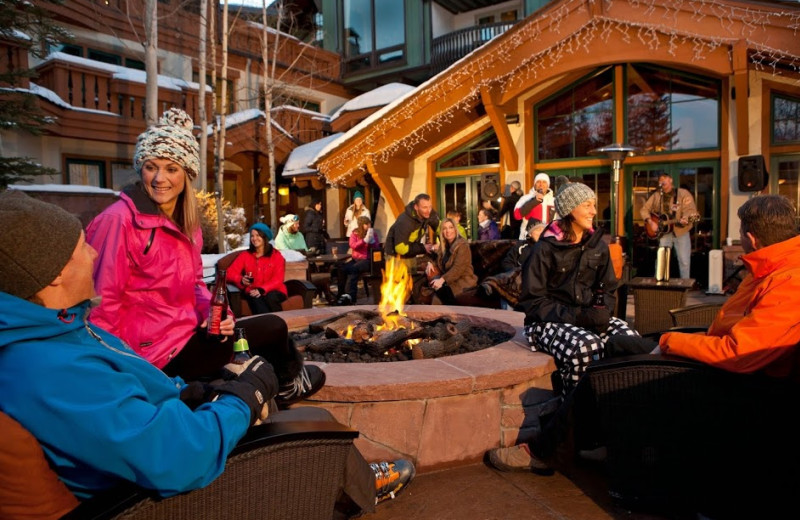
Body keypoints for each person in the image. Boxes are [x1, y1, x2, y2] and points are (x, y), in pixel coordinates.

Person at [0, 191, 415, 513]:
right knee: (312, 426)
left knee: (287, 400)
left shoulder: (59, 330)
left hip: (163, 431)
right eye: (81, 248)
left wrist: (191, 391)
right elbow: (176, 457)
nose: (95, 252)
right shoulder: (51, 371)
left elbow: (126, 406)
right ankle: (358, 490)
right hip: (156, 496)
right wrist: (245, 395)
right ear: (52, 276)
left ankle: (346, 471)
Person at [85, 108, 322, 405]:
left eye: (171, 169)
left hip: (188, 334)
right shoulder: (118, 221)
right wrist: (118, 375)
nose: (160, 178)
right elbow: (99, 306)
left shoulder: (185, 225)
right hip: (151, 357)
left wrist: (221, 315)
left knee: (267, 332)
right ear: (139, 168)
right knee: (273, 329)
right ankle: (286, 387)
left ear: (187, 175)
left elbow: (196, 285)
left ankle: (280, 387)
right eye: (151, 167)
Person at [653, 195, 800, 376]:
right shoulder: (767, 269)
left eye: (740, 235)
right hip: (715, 355)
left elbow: (738, 354)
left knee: (622, 347)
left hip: (738, 385)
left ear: (751, 239)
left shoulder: (789, 282)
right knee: (624, 342)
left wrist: (670, 341)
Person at [516, 182, 639, 395]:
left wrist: (603, 312)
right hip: (544, 323)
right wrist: (580, 317)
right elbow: (532, 302)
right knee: (586, 348)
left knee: (630, 340)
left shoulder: (597, 245)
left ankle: (616, 402)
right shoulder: (545, 248)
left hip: (587, 318)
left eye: (594, 205)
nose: (593, 211)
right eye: (587, 205)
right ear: (570, 210)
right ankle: (573, 412)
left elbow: (608, 287)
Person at [640, 172, 698, 279]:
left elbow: (690, 210)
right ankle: (659, 284)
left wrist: (685, 218)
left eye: (664, 179)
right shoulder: (657, 195)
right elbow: (644, 209)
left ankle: (684, 286)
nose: (662, 181)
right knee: (661, 260)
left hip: (681, 232)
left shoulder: (682, 193)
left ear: (670, 180)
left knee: (684, 260)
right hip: (665, 233)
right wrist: (651, 222)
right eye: (660, 180)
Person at [384, 193, 440, 302]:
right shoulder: (405, 221)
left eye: (430, 206)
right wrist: (423, 248)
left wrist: (439, 244)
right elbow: (400, 249)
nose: (428, 210)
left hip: (410, 251)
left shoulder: (430, 214)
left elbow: (440, 229)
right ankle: (393, 312)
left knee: (411, 284)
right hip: (395, 255)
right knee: (398, 288)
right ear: (416, 207)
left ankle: (412, 310)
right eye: (424, 207)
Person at [226, 222, 287, 314]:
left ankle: (281, 322)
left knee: (270, 297)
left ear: (264, 237)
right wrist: (241, 279)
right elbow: (228, 273)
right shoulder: (245, 255)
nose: (254, 238)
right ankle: (266, 325)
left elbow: (278, 279)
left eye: (258, 235)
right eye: (252, 236)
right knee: (255, 297)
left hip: (275, 290)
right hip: (252, 290)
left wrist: (262, 289)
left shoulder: (276, 256)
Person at [424, 218, 478, 305]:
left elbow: (458, 268)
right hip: (450, 281)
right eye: (445, 228)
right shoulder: (445, 246)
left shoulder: (462, 245)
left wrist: (442, 280)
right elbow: (437, 259)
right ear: (442, 232)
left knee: (437, 299)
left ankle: (456, 316)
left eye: (451, 227)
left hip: (463, 281)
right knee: (433, 295)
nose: (448, 231)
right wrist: (430, 263)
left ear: (455, 229)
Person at [336, 215, 380, 306]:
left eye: (369, 224)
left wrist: (371, 242)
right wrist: (364, 241)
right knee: (342, 269)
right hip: (355, 258)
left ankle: (350, 295)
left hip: (366, 259)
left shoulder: (372, 233)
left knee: (353, 269)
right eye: (366, 224)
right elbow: (353, 245)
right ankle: (341, 294)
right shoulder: (355, 233)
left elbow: (377, 248)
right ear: (361, 225)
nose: (368, 226)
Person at [514, 173, 555, 239]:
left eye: (544, 182)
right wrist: (534, 201)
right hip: (528, 238)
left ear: (548, 185)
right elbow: (517, 215)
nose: (541, 184)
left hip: (548, 239)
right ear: (534, 184)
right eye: (538, 182)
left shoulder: (554, 201)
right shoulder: (525, 198)